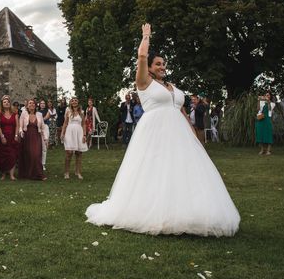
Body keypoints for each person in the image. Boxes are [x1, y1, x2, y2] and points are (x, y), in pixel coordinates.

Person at [85, 22, 240, 236]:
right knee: (155, 168)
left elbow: (182, 111)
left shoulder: (172, 87)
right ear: (149, 67)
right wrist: (146, 36)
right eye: (157, 63)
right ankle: (152, 211)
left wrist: (194, 135)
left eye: (164, 64)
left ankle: (186, 211)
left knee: (182, 170)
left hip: (180, 135)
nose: (162, 67)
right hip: (155, 132)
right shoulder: (144, 82)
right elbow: (141, 57)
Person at [18, 99, 47, 181]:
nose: (32, 104)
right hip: (27, 136)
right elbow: (20, 125)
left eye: (33, 103)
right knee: (29, 155)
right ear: (27, 105)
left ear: (35, 105)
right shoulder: (24, 114)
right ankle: (29, 174)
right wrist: (20, 132)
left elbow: (43, 127)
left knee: (36, 154)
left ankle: (39, 174)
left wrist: (45, 138)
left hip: (37, 136)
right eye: (30, 103)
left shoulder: (39, 114)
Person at [61, 97, 87, 179]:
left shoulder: (82, 112)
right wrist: (62, 133)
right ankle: (66, 172)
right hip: (69, 133)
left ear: (78, 102)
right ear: (71, 103)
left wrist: (84, 135)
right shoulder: (68, 111)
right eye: (72, 101)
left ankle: (78, 172)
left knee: (79, 153)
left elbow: (83, 124)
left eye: (76, 100)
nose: (74, 102)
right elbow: (65, 123)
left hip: (79, 133)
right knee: (69, 152)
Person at [0, 95, 19, 181]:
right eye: (4, 102)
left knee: (13, 155)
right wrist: (2, 136)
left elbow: (17, 125)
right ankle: (3, 174)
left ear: (10, 103)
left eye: (8, 102)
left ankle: (12, 175)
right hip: (3, 137)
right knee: (3, 156)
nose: (6, 103)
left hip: (12, 137)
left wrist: (16, 135)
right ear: (2, 104)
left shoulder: (15, 113)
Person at [38, 99, 51, 169]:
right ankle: (37, 162)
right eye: (41, 103)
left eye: (43, 103)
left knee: (44, 147)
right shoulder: (36, 112)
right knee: (37, 147)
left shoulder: (48, 111)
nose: (42, 104)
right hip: (38, 128)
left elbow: (45, 118)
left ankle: (43, 164)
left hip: (45, 128)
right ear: (39, 104)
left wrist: (39, 121)